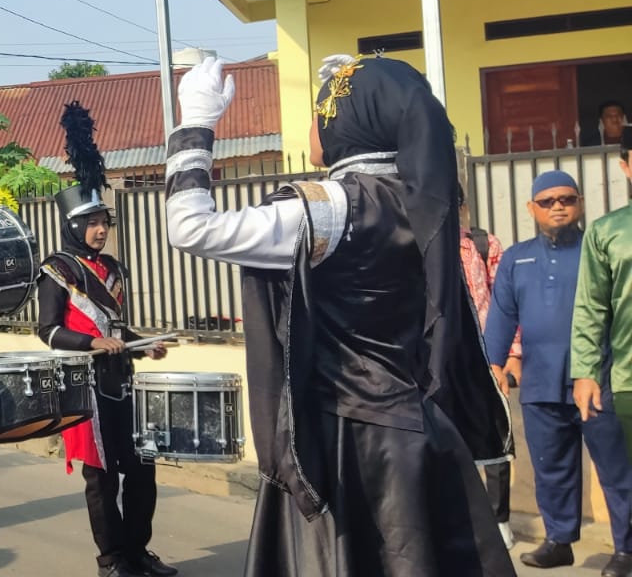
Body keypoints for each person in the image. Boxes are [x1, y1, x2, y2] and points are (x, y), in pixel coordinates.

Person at [164, 55, 513, 577]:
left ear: (348, 124)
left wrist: (195, 124)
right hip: (416, 431)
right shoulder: (419, 200)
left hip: (348, 439)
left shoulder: (333, 205)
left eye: (323, 110)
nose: (314, 124)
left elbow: (190, 228)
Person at [39, 102, 174, 577]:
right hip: (86, 387)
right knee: (101, 478)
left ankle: (137, 551)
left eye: (104, 222)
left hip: (123, 379)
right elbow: (48, 331)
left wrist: (143, 343)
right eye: (92, 223)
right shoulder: (56, 269)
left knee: (141, 469)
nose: (100, 230)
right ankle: (111, 559)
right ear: (74, 225)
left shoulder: (113, 268)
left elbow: (116, 327)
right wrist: (91, 344)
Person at [485, 170, 632, 573]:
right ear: (531, 208)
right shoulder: (516, 258)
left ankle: (626, 548)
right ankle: (558, 540)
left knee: (617, 469)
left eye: (566, 199)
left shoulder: (597, 247)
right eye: (547, 201)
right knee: (551, 468)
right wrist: (493, 364)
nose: (558, 207)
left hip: (598, 380)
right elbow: (501, 316)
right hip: (540, 382)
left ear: (580, 203)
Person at [459, 185, 520, 549]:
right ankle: (464, 518)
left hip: (486, 356)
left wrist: (511, 355)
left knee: (495, 436)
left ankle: (500, 520)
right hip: (443, 358)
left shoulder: (484, 245)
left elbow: (505, 302)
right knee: (451, 439)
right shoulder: (415, 245)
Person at [573, 127, 632, 484]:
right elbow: (591, 307)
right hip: (628, 379)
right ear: (625, 166)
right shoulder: (607, 231)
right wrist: (586, 372)